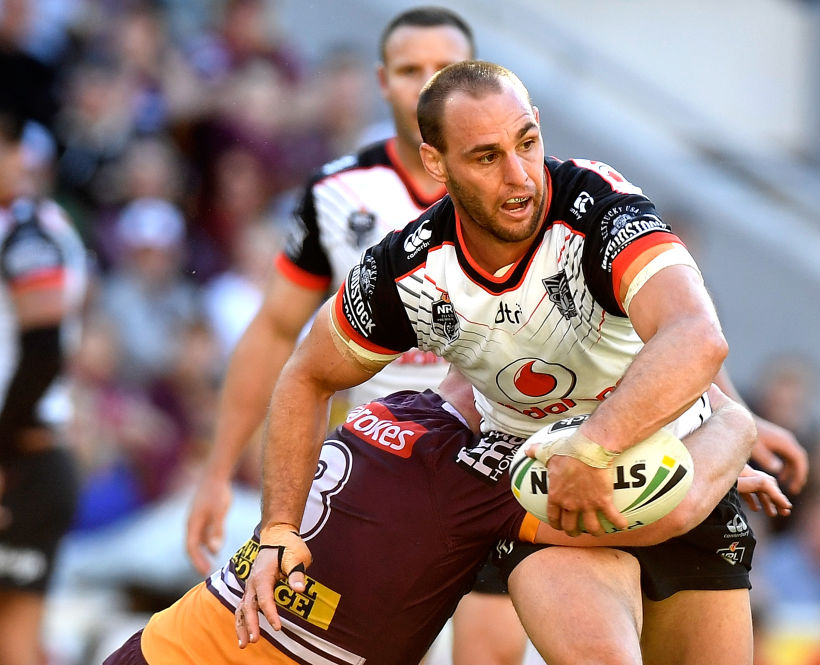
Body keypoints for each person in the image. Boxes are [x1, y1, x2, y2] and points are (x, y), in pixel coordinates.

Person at [241, 60, 780, 665]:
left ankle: (725, 437)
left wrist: (594, 446)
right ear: (437, 164)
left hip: (673, 471)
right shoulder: (409, 270)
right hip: (548, 501)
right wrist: (278, 530)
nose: (520, 176)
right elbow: (307, 375)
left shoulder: (599, 206)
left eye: (527, 142)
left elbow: (697, 337)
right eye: (487, 157)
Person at [183, 8, 532, 665]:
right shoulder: (337, 190)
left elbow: (634, 301)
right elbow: (275, 332)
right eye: (409, 70)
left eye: (444, 69)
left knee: (490, 653)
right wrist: (216, 467)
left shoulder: (523, 189)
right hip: (372, 470)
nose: (427, 84)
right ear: (381, 81)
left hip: (495, 457)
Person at [105, 372, 781, 665]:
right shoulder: (480, 484)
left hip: (160, 645)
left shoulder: (397, 406)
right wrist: (732, 427)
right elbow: (668, 513)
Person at [0, 107, 88, 665]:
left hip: (23, 456)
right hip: (24, 452)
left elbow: (42, 349)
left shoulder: (29, 232)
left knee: (14, 636)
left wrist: (2, 449)